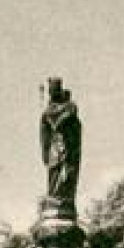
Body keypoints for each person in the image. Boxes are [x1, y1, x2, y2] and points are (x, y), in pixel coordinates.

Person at [39, 77, 81, 205]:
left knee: (67, 172)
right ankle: (53, 196)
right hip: (55, 146)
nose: (51, 93)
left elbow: (64, 121)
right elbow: (46, 131)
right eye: (50, 91)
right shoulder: (49, 110)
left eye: (54, 90)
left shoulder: (70, 106)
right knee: (54, 171)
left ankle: (63, 197)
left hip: (67, 146)